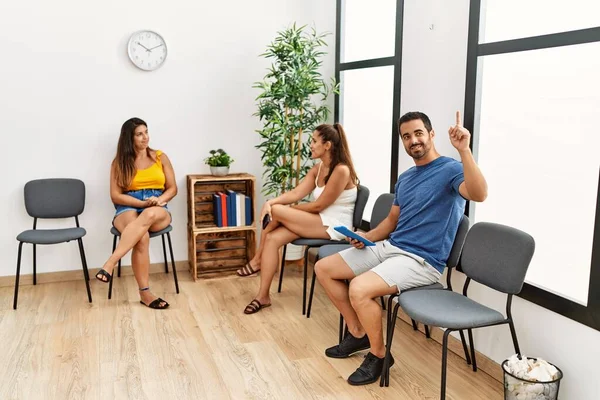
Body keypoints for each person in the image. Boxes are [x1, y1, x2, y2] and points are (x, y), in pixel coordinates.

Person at [314, 111, 488, 385]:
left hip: (421, 260)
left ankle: (380, 355)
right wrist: (366, 236)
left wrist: (464, 150)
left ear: (431, 134)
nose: (413, 140)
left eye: (418, 133)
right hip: (391, 246)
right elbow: (391, 222)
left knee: (359, 288)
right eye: (406, 136)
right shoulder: (405, 178)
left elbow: (479, 194)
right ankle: (358, 332)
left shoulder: (452, 169)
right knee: (324, 268)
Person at [241, 123, 360, 314]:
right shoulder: (319, 168)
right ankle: (263, 296)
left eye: (314, 141)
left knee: (278, 212)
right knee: (273, 238)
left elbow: (319, 205)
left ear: (327, 145)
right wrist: (272, 202)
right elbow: (296, 192)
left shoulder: (341, 170)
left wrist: (278, 209)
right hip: (317, 220)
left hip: (335, 227)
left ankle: (256, 260)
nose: (310, 145)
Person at [95, 117, 177, 310]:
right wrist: (139, 202)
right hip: (128, 205)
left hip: (157, 206)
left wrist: (160, 200)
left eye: (146, 132)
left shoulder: (160, 157)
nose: (145, 137)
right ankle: (145, 294)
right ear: (129, 138)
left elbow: (172, 188)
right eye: (139, 134)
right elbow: (115, 195)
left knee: (147, 216)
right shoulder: (119, 162)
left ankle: (110, 263)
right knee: (141, 237)